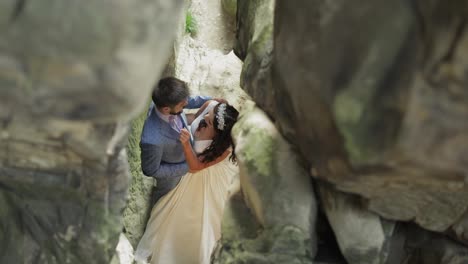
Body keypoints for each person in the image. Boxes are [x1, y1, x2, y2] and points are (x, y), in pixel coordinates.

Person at [135, 101, 240, 264]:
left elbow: (196, 166)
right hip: (188, 166)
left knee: (196, 221)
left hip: (202, 174)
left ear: (219, 136)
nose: (205, 117)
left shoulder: (223, 150)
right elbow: (200, 111)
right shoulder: (212, 107)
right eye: (209, 114)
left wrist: (186, 144)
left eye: (210, 121)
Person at [140, 77, 215, 205]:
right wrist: (186, 167)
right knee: (165, 198)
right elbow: (150, 170)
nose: (186, 103)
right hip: (170, 178)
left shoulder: (165, 101)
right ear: (166, 109)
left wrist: (212, 100)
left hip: (183, 154)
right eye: (182, 105)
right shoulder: (151, 140)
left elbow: (189, 101)